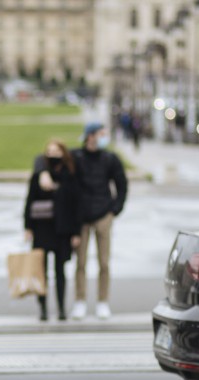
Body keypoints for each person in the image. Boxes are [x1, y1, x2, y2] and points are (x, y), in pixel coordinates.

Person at [69, 123, 127, 320]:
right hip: (81, 217)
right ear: (90, 136)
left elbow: (122, 184)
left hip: (103, 215)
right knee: (81, 262)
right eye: (101, 134)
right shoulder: (76, 157)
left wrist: (115, 209)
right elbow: (51, 163)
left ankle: (103, 301)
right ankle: (80, 300)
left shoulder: (110, 158)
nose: (104, 137)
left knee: (104, 262)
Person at [23, 139, 82, 321]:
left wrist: (76, 232)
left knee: (60, 271)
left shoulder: (70, 174)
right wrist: (28, 227)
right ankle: (43, 308)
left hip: (62, 230)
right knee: (41, 271)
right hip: (42, 229)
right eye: (49, 151)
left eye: (57, 151)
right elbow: (29, 201)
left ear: (63, 153)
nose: (53, 155)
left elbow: (76, 204)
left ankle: (62, 308)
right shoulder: (40, 174)